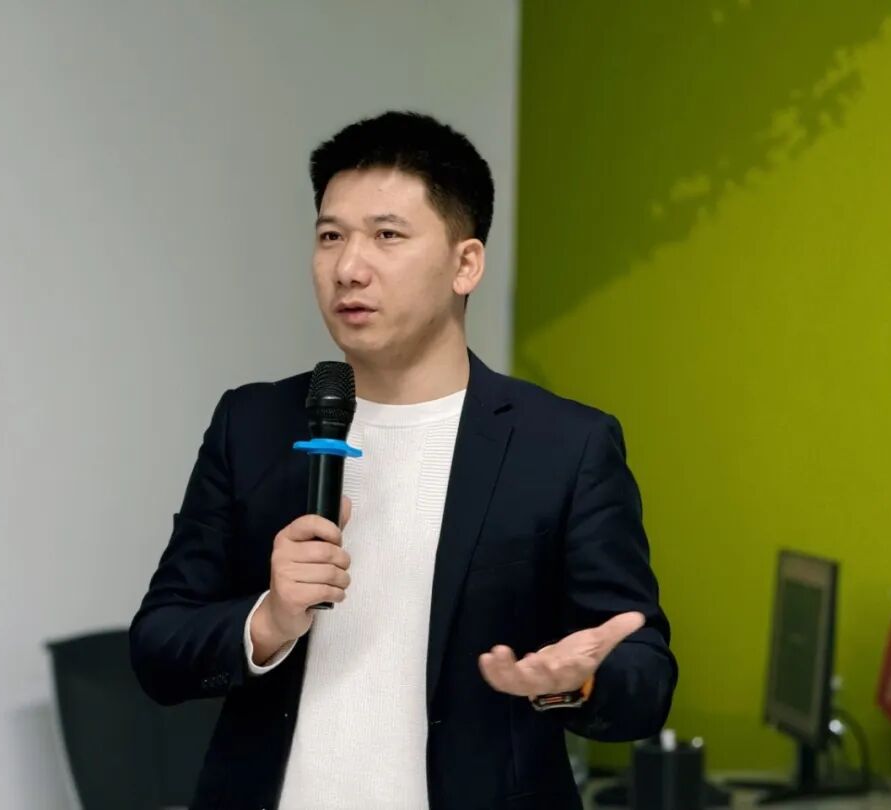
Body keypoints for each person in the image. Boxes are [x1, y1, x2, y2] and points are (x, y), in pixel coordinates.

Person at [130, 111, 676, 810]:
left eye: (387, 236)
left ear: (465, 264)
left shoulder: (564, 445)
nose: (348, 268)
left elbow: (644, 675)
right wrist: (268, 621)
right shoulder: (253, 423)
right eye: (331, 236)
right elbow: (158, 649)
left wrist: (580, 681)